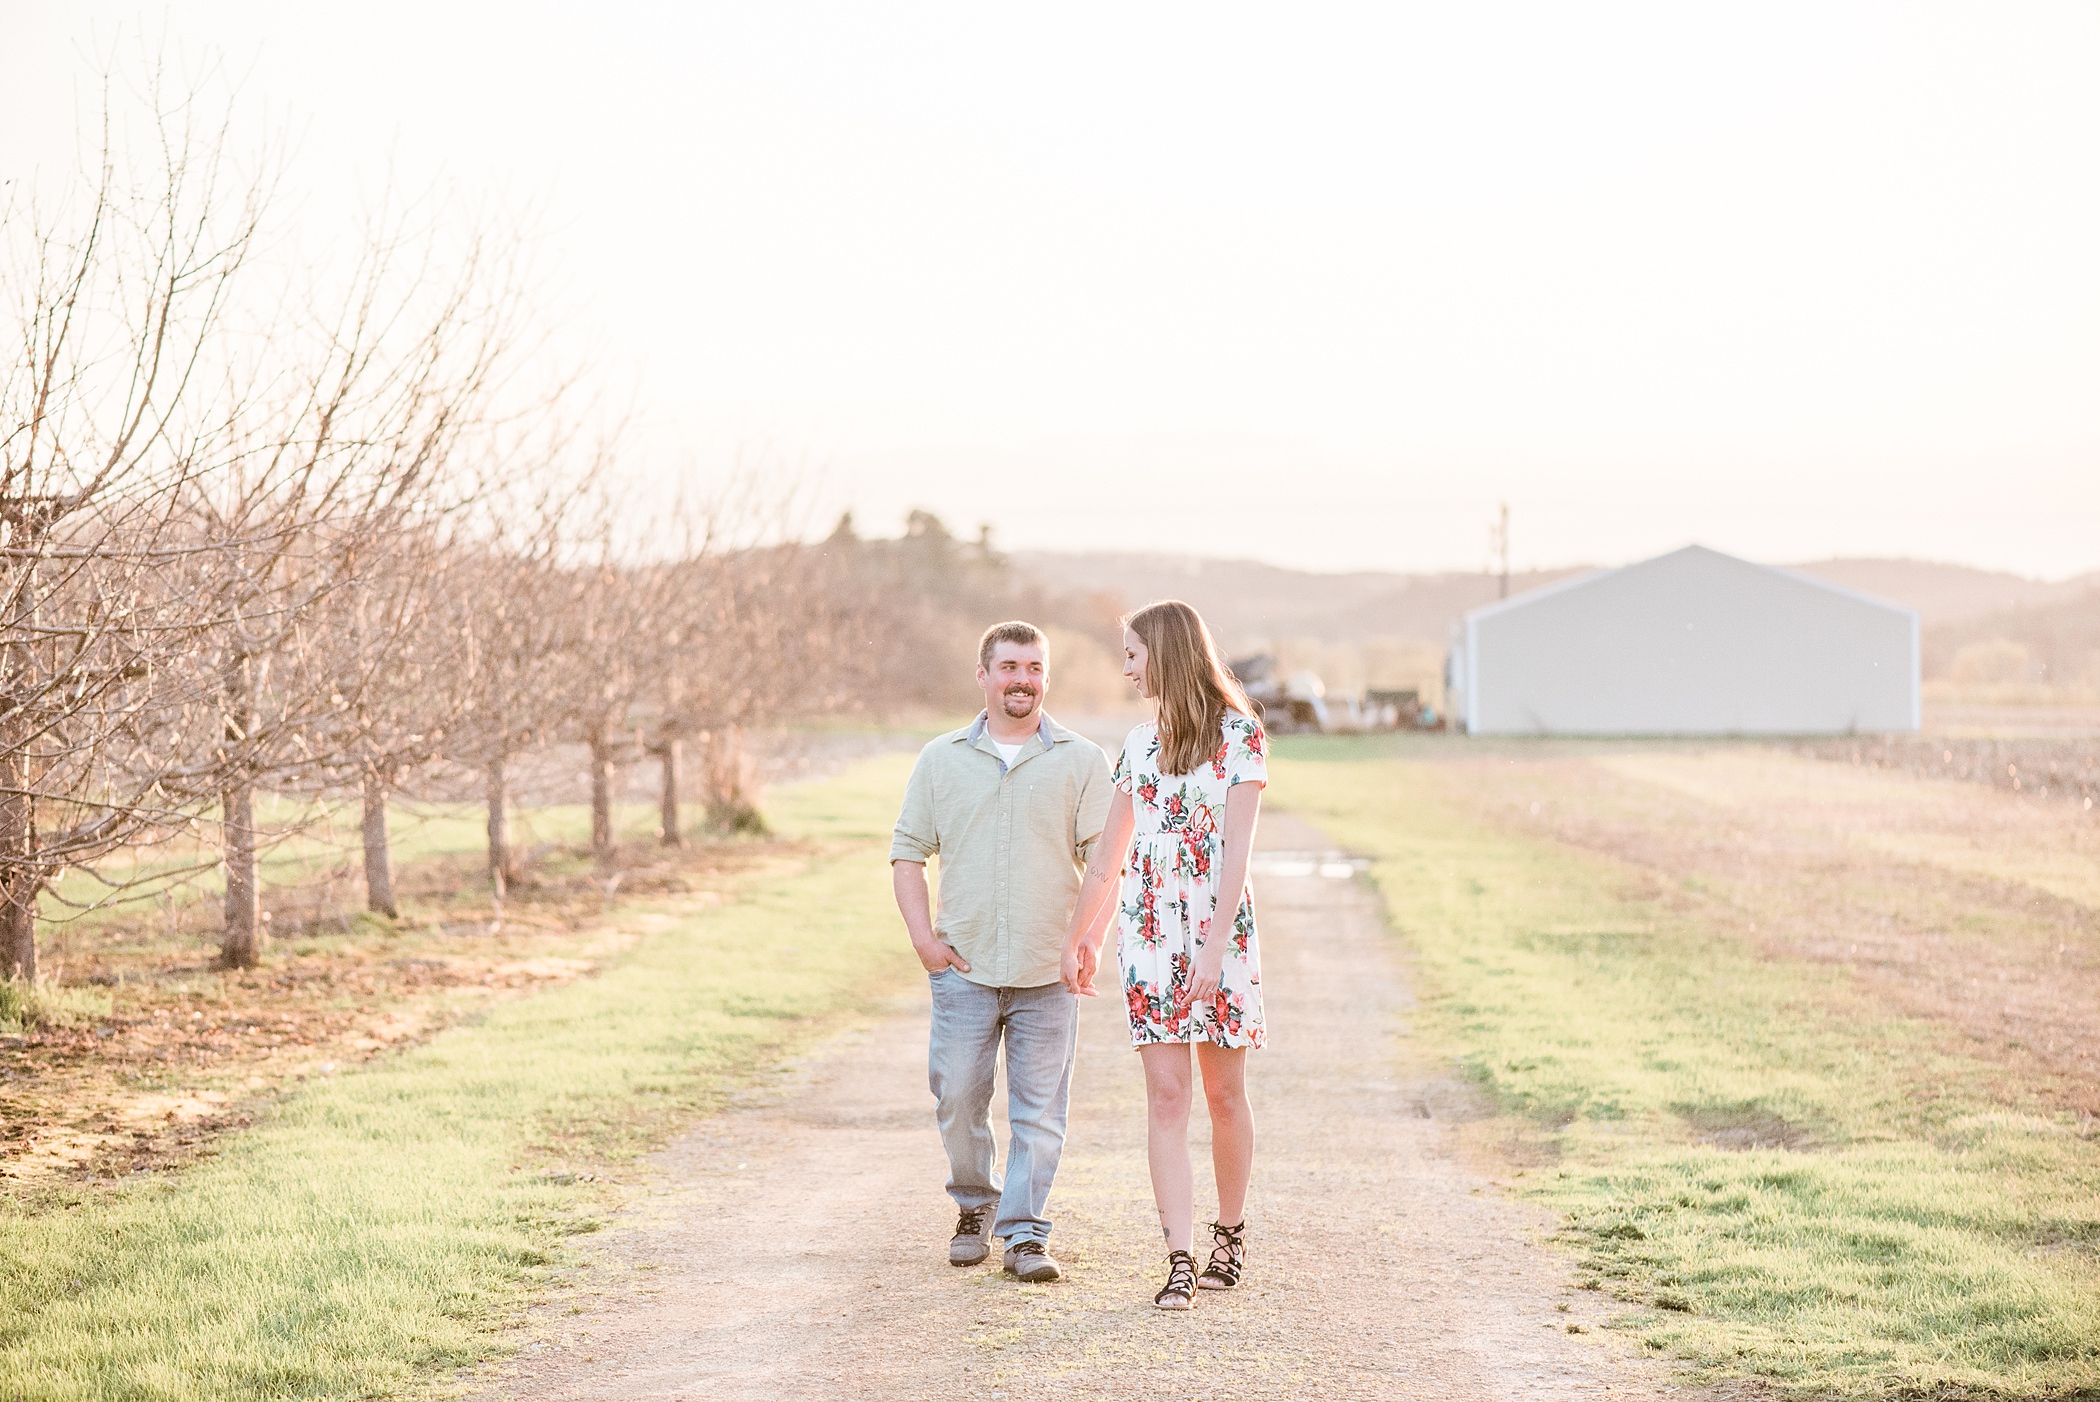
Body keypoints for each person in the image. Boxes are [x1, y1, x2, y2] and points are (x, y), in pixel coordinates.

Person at [891, 621, 1114, 1283]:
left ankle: (1024, 1234)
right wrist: (924, 940)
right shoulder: (941, 758)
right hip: (965, 969)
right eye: (1010, 666)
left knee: (1039, 1112)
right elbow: (908, 851)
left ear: (1046, 678)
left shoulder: (1080, 760)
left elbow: (1106, 862)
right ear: (983, 675)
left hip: (1050, 970)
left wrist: (1089, 942)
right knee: (957, 1096)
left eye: (1035, 668)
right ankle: (973, 1205)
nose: (1023, 679)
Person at [1060, 600, 1267, 1310]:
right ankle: (1178, 1257)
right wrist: (1081, 936)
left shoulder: (1241, 737)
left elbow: (1236, 851)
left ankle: (1229, 1235)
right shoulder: (1140, 744)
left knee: (1223, 1093)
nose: (1125, 666)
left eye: (1132, 652)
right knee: (1168, 1095)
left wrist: (1213, 947)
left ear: (1167, 653)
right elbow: (1106, 861)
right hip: (1148, 937)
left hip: (1219, 935)